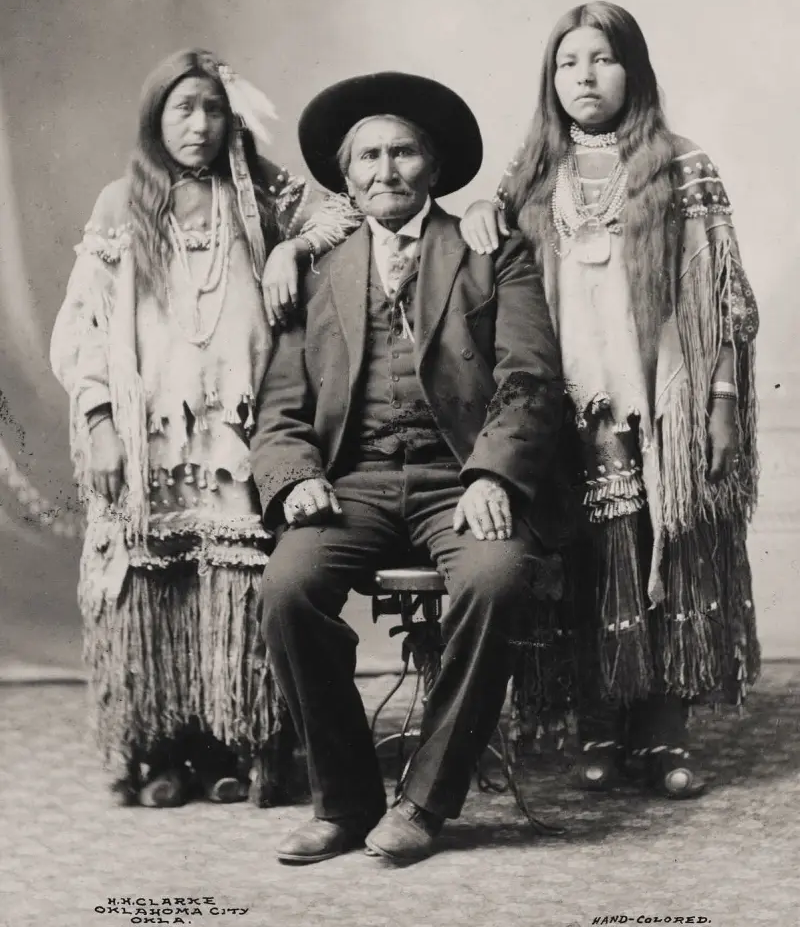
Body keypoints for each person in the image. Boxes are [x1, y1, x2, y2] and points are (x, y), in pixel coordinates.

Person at [251, 71, 571, 865]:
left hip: (458, 480)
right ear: (345, 173)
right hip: (350, 482)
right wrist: (294, 477)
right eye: (368, 157)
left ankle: (427, 800)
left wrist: (494, 476)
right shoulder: (317, 266)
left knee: (494, 581)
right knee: (287, 590)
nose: (384, 171)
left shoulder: (488, 249)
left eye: (402, 154)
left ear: (434, 166)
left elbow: (529, 380)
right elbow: (280, 402)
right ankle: (346, 800)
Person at [460, 1, 760, 799]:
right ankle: (596, 724)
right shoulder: (528, 177)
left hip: (662, 408)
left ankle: (662, 735)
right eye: (567, 63)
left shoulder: (682, 166)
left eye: (601, 59)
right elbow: (492, 291)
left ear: (634, 69)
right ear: (549, 79)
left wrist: (721, 402)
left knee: (671, 561)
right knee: (588, 566)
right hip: (569, 414)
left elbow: (719, 298)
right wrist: (483, 212)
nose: (584, 76)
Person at [50, 48, 360, 808]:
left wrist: (291, 244)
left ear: (234, 120)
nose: (199, 124)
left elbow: (345, 210)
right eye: (182, 108)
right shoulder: (121, 204)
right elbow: (85, 326)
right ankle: (162, 748)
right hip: (147, 429)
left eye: (213, 108)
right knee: (155, 589)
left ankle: (238, 745)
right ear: (156, 119)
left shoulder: (258, 197)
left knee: (234, 589)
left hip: (235, 427)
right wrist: (98, 424)